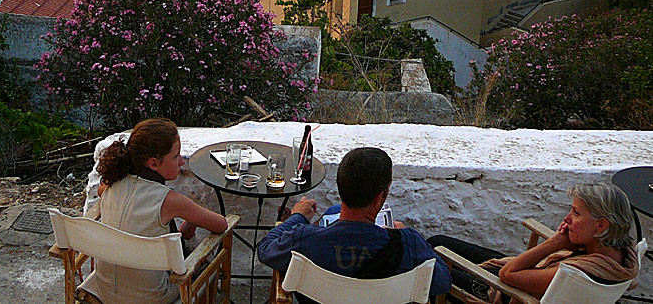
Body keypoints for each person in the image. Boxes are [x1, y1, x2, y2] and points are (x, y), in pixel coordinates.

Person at [258, 147, 451, 304]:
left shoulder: (305, 240)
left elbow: (266, 248)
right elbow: (442, 283)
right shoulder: (408, 245)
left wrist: (297, 216)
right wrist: (409, 236)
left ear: (341, 187)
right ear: (380, 197)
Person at [85, 118, 228, 304]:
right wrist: (191, 219)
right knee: (207, 266)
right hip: (151, 297)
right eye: (175, 156)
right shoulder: (170, 201)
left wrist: (183, 230)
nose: (182, 161)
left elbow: (144, 226)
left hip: (105, 288)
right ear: (153, 164)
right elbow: (221, 224)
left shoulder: (110, 183)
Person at [428, 182, 639, 303]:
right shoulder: (621, 254)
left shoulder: (576, 275)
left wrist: (556, 243)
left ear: (600, 226)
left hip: (506, 294)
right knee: (436, 242)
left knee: (428, 268)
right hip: (533, 273)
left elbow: (507, 275)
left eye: (576, 213)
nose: (567, 219)